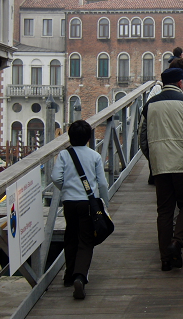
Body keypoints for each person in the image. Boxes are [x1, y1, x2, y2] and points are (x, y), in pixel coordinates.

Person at [139, 68, 183, 272]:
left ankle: (166, 259)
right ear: (180, 83)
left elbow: (142, 137)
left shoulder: (149, 106)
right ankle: (177, 242)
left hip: (160, 164)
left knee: (164, 211)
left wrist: (152, 158)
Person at [51, 120, 109, 299]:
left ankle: (69, 275)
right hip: (87, 203)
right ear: (88, 138)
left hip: (69, 202)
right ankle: (80, 276)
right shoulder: (94, 156)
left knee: (70, 237)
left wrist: (67, 189)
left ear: (69, 136)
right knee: (85, 239)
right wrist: (104, 203)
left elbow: (55, 178)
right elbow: (101, 183)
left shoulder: (63, 155)